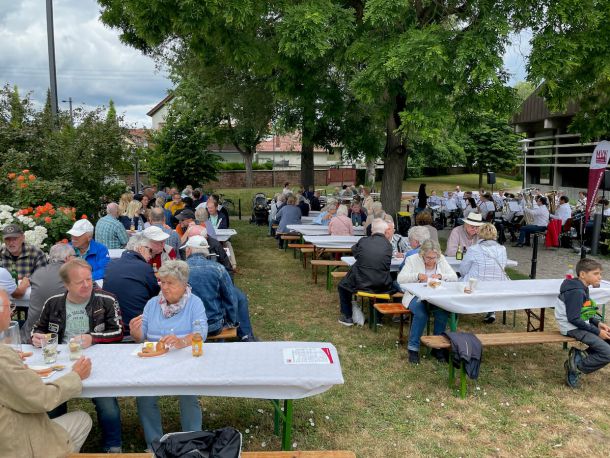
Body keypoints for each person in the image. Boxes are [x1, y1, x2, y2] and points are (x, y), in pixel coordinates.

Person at [32, 259, 123, 452]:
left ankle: (113, 446)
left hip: (97, 362)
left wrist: (93, 338)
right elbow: (37, 329)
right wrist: (37, 338)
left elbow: (118, 332)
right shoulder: (53, 302)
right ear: (66, 285)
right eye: (80, 282)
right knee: (53, 400)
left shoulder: (107, 299)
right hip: (59, 363)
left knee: (107, 404)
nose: (87, 285)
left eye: (89, 279)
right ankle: (55, 443)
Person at [0, 288, 93, 456]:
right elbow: (42, 398)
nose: (12, 312)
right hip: (15, 444)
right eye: (10, 306)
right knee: (83, 420)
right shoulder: (3, 358)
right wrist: (76, 376)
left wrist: (16, 367)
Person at [129, 261, 206, 450]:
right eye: (162, 282)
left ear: (183, 284)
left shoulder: (194, 303)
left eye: (170, 283)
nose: (164, 287)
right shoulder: (152, 304)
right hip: (154, 361)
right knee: (144, 395)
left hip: (184, 361)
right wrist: (136, 332)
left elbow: (201, 333)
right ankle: (154, 444)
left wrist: (182, 342)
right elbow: (142, 337)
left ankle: (191, 442)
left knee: (188, 394)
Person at [397, 240, 457, 364]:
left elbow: (454, 277)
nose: (431, 260)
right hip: (415, 295)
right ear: (422, 254)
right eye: (428, 258)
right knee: (421, 314)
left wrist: (440, 276)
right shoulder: (412, 259)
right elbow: (400, 279)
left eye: (434, 258)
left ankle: (437, 347)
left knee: (442, 312)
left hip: (436, 295)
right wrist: (417, 276)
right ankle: (413, 348)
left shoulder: (440, 259)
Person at [184, 236, 254, 340]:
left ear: (189, 250)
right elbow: (230, 298)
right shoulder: (218, 268)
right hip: (214, 325)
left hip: (187, 325)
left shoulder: (178, 269)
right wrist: (231, 322)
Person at [555, 258, 610, 388]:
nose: (600, 277)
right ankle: (575, 367)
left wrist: (597, 323)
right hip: (571, 327)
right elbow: (573, 319)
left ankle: (579, 356)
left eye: (600, 274)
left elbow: (584, 312)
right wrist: (597, 332)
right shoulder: (576, 292)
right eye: (596, 274)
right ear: (583, 274)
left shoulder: (582, 288)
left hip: (579, 324)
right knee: (607, 353)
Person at [337, 219, 397, 326]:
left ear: (372, 230)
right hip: (381, 283)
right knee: (382, 287)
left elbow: (355, 252)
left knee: (342, 286)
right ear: (385, 231)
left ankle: (347, 316)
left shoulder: (364, 241)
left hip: (362, 282)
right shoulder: (388, 245)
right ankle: (377, 318)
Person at [103, 234, 160, 336]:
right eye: (150, 251)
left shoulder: (111, 265)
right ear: (140, 248)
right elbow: (155, 297)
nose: (151, 256)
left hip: (113, 325)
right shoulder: (144, 268)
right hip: (136, 327)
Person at [20, 243, 75, 343]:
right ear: (67, 258)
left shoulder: (38, 272)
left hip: (29, 335)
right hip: (57, 336)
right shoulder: (71, 273)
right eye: (74, 256)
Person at [459, 223, 508, 324]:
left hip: (476, 286)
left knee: (458, 280)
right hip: (498, 285)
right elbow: (502, 266)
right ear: (495, 235)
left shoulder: (473, 249)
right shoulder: (502, 249)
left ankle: (456, 309)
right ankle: (491, 311)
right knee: (490, 280)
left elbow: (463, 270)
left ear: (479, 234)